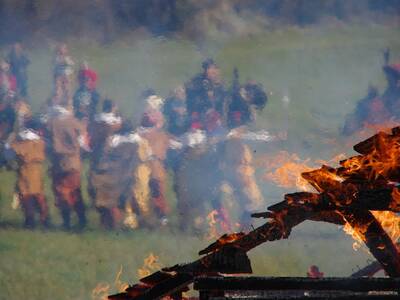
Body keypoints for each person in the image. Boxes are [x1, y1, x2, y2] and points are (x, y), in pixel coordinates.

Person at [91, 120, 139, 229]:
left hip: (115, 174)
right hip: (124, 174)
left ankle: (112, 224)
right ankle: (117, 224)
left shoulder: (114, 141)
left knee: (111, 201)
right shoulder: (135, 141)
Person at [45, 104, 87, 230]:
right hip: (74, 162)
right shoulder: (74, 122)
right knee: (76, 192)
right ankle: (81, 220)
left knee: (62, 193)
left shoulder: (51, 123)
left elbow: (47, 144)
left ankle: (67, 222)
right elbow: (83, 142)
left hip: (58, 163)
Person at [8, 118, 48, 228]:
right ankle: (44, 220)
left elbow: (10, 152)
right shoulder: (40, 141)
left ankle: (30, 221)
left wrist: (11, 140)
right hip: (36, 171)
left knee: (26, 197)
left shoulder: (23, 142)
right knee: (38, 195)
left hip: (24, 171)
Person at [185, 59, 227, 125]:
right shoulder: (198, 81)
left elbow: (220, 104)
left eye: (216, 69)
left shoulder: (219, 85)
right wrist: (207, 109)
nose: (215, 71)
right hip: (198, 118)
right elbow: (194, 102)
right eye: (211, 68)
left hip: (213, 119)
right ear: (206, 70)